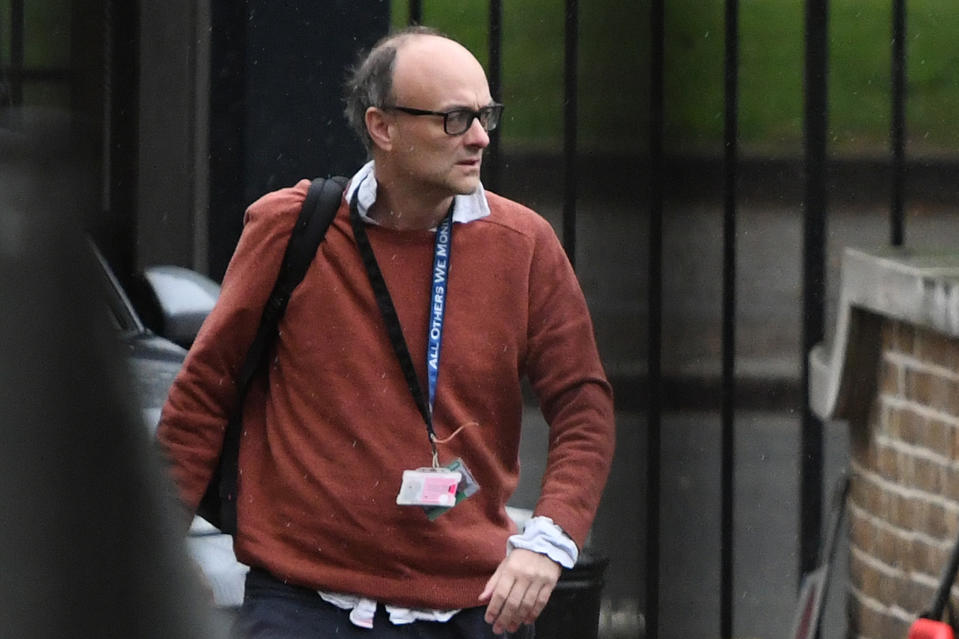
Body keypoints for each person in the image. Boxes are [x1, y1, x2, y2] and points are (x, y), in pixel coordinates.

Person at [156, 26, 615, 638]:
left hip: (471, 610)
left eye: (485, 116)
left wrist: (548, 540)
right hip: (305, 607)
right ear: (383, 127)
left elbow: (585, 406)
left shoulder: (523, 245)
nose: (479, 138)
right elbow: (203, 394)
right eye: (454, 119)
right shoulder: (291, 229)